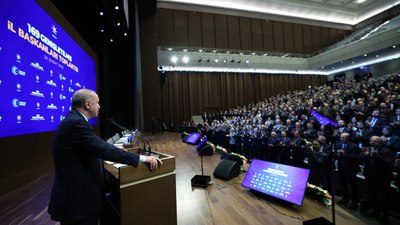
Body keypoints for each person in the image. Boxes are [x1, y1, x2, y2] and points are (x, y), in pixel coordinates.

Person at [48, 89, 163, 225]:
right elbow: (103, 149)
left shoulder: (75, 120)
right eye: (97, 103)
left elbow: (94, 147)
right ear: (87, 104)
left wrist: (112, 149)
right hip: (78, 201)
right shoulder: (76, 123)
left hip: (79, 198)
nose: (100, 106)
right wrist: (142, 159)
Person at [361, 136, 395, 224]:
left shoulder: (386, 151)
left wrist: (378, 156)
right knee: (373, 195)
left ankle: (385, 216)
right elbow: (361, 160)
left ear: (380, 143)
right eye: (371, 140)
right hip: (370, 177)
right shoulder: (367, 149)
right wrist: (365, 156)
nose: (372, 142)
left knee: (384, 198)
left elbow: (389, 164)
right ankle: (375, 211)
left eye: (375, 141)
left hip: (383, 178)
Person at [334, 132, 361, 210]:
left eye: (344, 137)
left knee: (353, 186)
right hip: (341, 168)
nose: (342, 139)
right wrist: (337, 155)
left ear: (348, 138)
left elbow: (356, 157)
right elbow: (336, 155)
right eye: (341, 137)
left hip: (351, 169)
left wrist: (344, 154)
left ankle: (354, 202)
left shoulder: (354, 146)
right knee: (343, 184)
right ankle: (345, 198)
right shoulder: (338, 145)